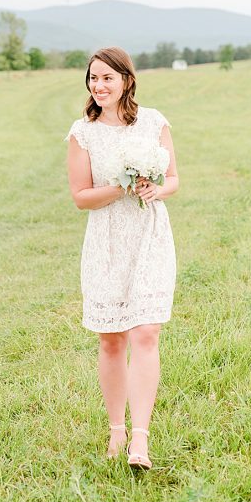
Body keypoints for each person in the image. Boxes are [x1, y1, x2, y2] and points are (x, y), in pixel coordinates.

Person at [65, 47, 178, 470]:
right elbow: (80, 197)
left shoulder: (155, 122)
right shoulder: (83, 132)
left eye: (107, 78)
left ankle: (141, 442)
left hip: (149, 235)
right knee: (112, 339)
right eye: (93, 78)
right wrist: (121, 186)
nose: (99, 86)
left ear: (127, 80)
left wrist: (154, 189)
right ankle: (117, 430)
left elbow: (174, 179)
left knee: (147, 332)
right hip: (108, 241)